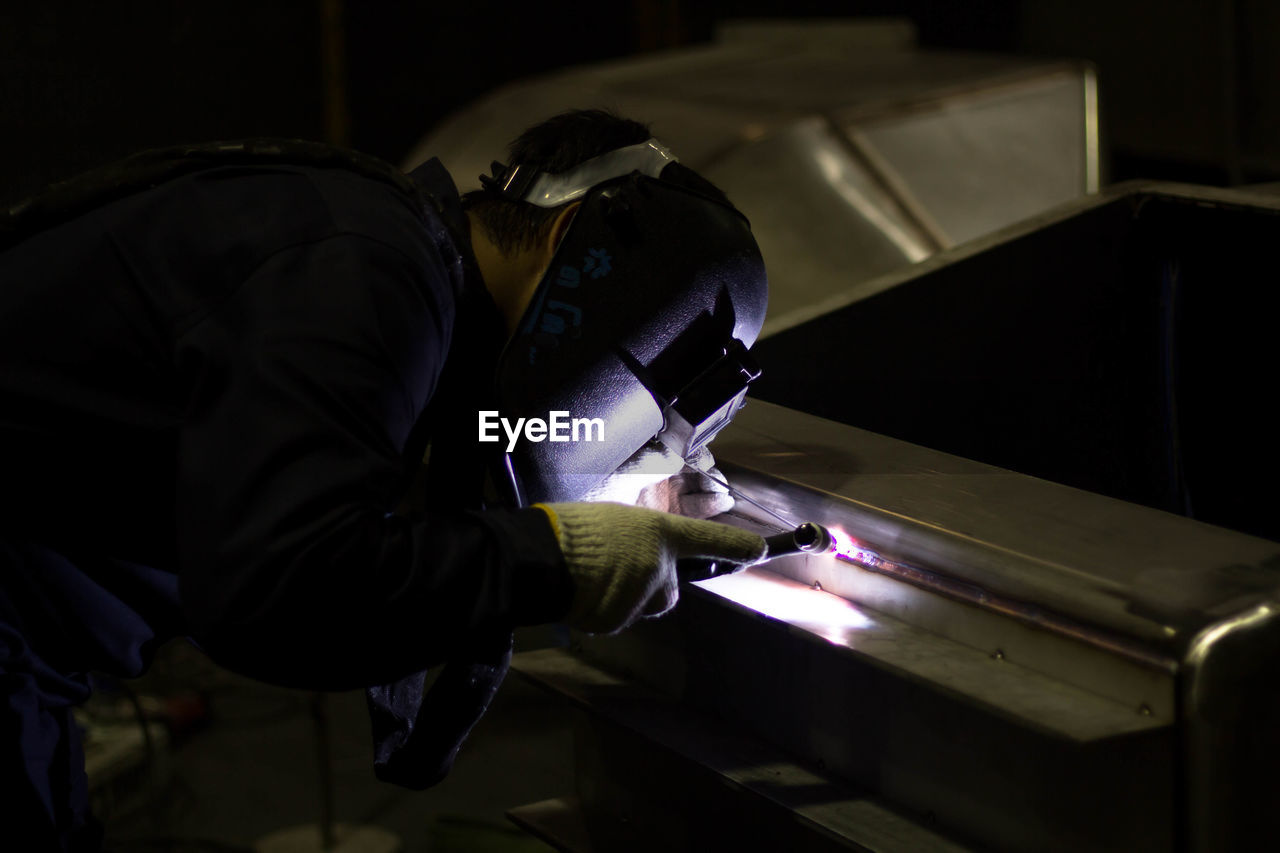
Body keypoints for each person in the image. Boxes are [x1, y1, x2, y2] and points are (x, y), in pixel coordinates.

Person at [0, 109, 769, 850]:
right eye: (657, 391)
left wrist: (661, 461)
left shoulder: (388, 261)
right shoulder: (366, 273)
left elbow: (469, 447)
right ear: (574, 239)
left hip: (31, 655)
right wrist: (559, 557)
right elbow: (278, 587)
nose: (644, 428)